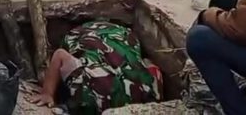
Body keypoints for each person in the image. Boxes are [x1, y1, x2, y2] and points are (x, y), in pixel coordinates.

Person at [30, 21, 160, 113]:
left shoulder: (146, 90)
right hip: (84, 33)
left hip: (125, 37)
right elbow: (59, 55)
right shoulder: (81, 79)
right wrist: (47, 93)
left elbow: (153, 70)